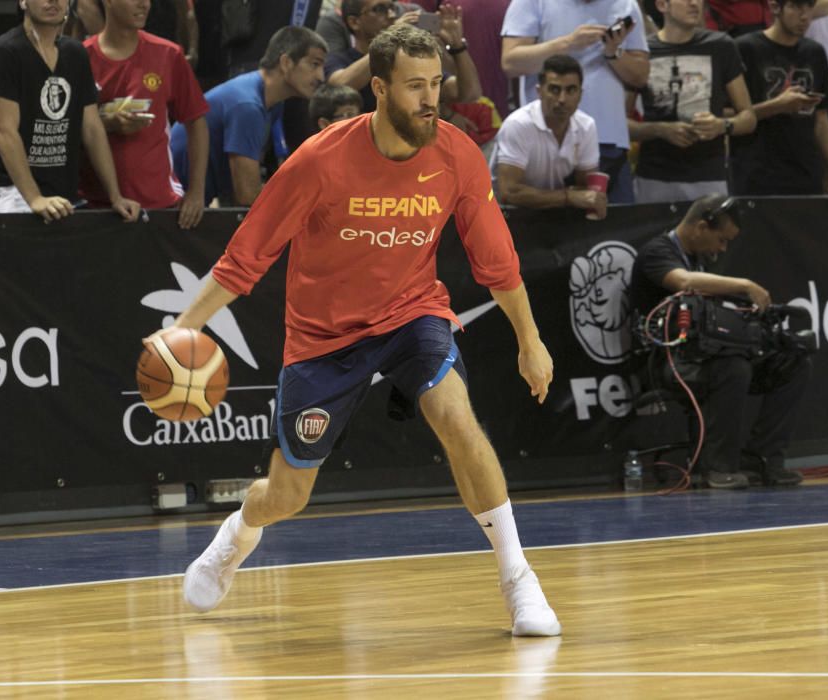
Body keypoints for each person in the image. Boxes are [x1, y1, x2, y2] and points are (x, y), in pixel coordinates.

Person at [167, 23, 560, 637]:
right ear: (379, 88)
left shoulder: (455, 153)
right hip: (322, 339)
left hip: (412, 313)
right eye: (414, 87)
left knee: (456, 416)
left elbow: (497, 263)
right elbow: (243, 260)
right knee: (288, 495)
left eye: (436, 84)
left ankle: (518, 579)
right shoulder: (319, 161)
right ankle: (237, 534)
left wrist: (530, 341)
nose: (430, 99)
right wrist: (180, 331)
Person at [629, 195, 811, 489]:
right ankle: (718, 468)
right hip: (668, 363)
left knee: (793, 362)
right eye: (722, 240)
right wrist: (745, 285)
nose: (722, 249)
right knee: (733, 367)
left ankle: (762, 458)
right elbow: (683, 282)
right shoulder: (657, 252)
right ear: (701, 227)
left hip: (706, 355)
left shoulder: (700, 260)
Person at [0, 0, 139, 222]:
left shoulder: (76, 53)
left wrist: (116, 196)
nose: (54, 1)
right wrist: (34, 198)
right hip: (10, 194)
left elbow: (92, 129)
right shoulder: (6, 51)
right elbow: (4, 131)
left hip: (63, 196)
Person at [501, 0, 650, 203]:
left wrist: (613, 52)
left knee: (617, 228)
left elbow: (640, 77)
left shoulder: (625, 3)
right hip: (547, 139)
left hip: (609, 139)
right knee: (552, 226)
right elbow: (511, 62)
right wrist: (568, 43)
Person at [81, 0, 209, 228]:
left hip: (159, 201)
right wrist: (108, 124)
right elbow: (68, 127)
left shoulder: (168, 54)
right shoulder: (80, 57)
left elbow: (196, 120)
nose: (144, 4)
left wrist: (197, 191)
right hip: (92, 203)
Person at [171, 26, 327, 207]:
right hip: (173, 205)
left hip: (193, 201)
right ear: (286, 63)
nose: (321, 76)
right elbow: (247, 194)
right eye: (314, 64)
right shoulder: (248, 106)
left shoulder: (271, 100)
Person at [629, 0, 757, 202]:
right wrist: (660, 129)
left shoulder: (721, 46)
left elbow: (748, 117)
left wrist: (721, 125)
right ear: (663, 5)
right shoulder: (643, 53)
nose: (694, 3)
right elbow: (622, 124)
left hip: (708, 173)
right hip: (654, 174)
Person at [732, 0, 828, 207]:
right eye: (796, 6)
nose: (805, 16)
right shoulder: (745, 49)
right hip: (756, 173)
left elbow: (821, 120)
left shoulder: (815, 53)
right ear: (775, 7)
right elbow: (728, 118)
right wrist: (777, 106)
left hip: (805, 171)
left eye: (809, 7)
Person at [491, 54, 606, 217]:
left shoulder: (587, 126)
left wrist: (584, 198)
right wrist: (568, 197)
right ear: (539, 91)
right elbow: (509, 192)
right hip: (504, 216)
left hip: (550, 213)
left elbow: (585, 189)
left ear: (581, 93)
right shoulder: (518, 124)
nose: (562, 99)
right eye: (554, 89)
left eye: (571, 90)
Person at [326, 1, 481, 115]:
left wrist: (457, 46)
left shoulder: (410, 62)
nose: (392, 15)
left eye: (392, 8)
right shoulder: (339, 60)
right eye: (379, 9)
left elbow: (469, 94)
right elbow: (341, 85)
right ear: (354, 22)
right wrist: (388, 37)